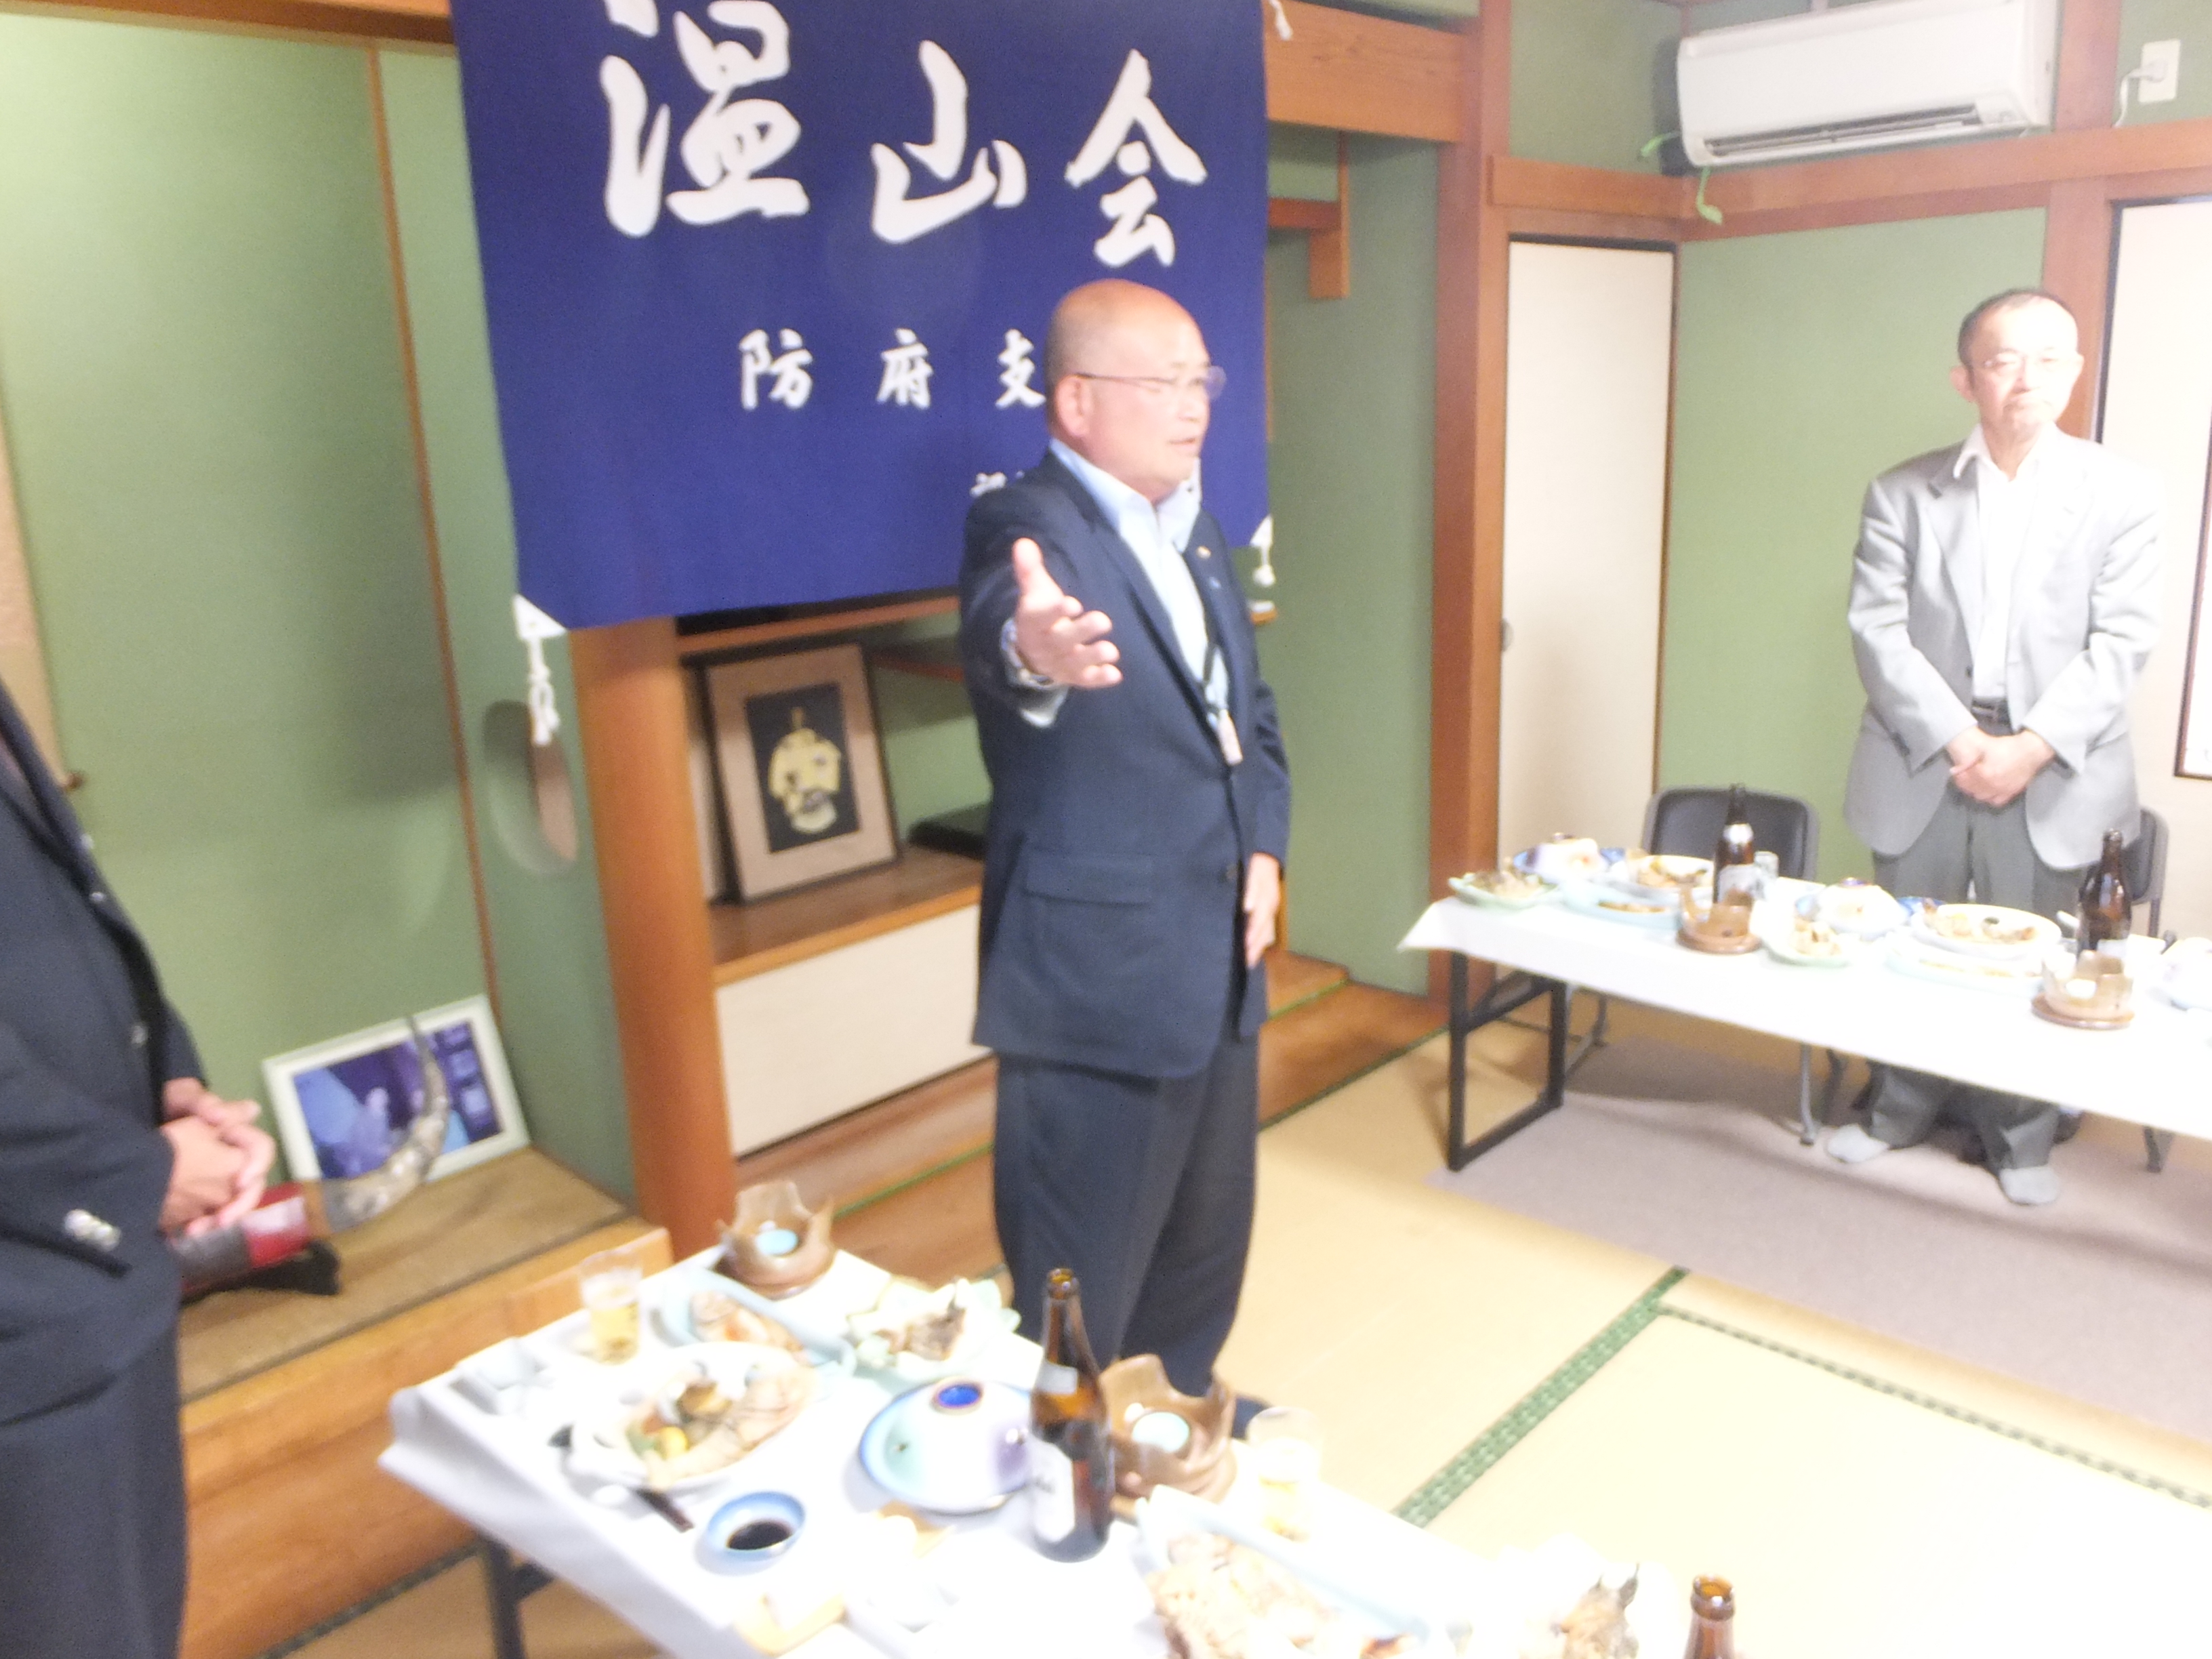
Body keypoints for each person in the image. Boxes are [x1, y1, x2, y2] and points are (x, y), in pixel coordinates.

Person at [958, 279, 1289, 1404]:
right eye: (1165, 383)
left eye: (1203, 381)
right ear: (1077, 401)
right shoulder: (1028, 525)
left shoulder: (1196, 529)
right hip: (1099, 981)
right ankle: (1070, 1462)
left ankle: (1172, 1421)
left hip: (1218, 957)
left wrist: (1265, 850)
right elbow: (1006, 626)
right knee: (1079, 1277)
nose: (1195, 406)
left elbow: (1248, 715)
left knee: (1203, 1247)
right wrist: (1033, 650)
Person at [1830, 289, 2161, 1206]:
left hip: (2059, 766)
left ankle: (2021, 1137)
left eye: (2051, 358)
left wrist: (2031, 747)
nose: (2028, 378)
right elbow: (1877, 632)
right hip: (1924, 753)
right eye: (2004, 359)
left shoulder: (2124, 494)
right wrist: (1961, 739)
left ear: (2076, 371)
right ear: (1966, 378)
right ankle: (1895, 1111)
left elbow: (2122, 643)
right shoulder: (1903, 491)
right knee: (1910, 948)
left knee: (2040, 959)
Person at [0, 677, 274, 1658]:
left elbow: (72, 919)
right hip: (26, 1332)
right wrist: (143, 1177)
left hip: (107, 1304)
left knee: (139, 1623)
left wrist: (173, 1081)